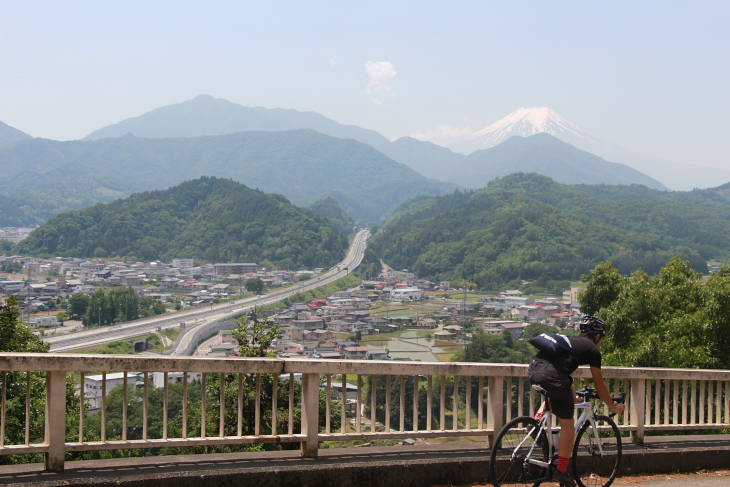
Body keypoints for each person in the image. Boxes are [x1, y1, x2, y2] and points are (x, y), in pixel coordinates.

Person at [527, 315, 626, 487]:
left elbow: (560, 374)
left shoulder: (570, 340)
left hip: (534, 370)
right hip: (554, 376)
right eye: (601, 338)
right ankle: (562, 471)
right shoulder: (593, 350)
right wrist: (613, 407)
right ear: (596, 336)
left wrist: (573, 398)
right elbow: (600, 385)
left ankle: (535, 423)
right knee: (568, 425)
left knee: (556, 395)